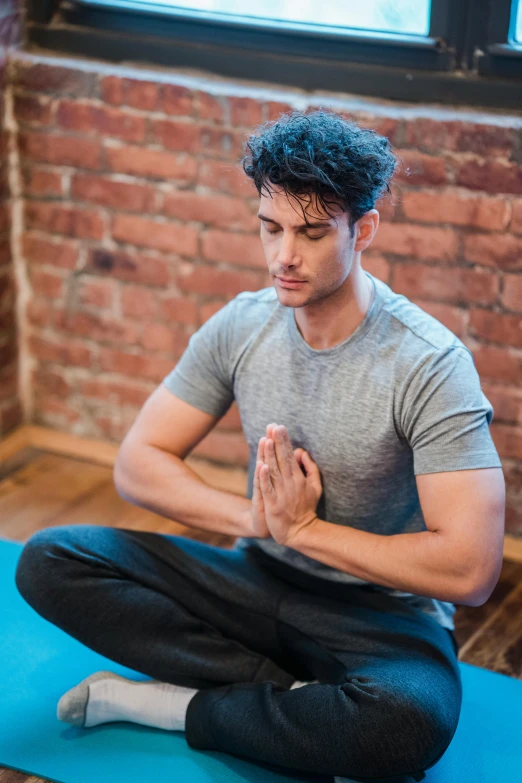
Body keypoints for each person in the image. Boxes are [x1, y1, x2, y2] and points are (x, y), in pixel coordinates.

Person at [14, 109, 505, 783]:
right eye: (270, 228)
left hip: (380, 611)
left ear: (363, 230)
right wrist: (258, 522)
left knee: (405, 724)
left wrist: (304, 528)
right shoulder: (243, 324)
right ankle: (289, 704)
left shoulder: (429, 363)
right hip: (254, 575)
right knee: (49, 560)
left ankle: (179, 706)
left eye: (310, 232)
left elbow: (471, 568)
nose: (284, 257)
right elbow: (139, 462)